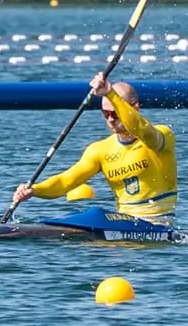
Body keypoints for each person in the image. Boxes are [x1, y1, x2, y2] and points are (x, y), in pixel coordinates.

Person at [11, 72, 178, 226]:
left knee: (96, 215)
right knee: (84, 215)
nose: (110, 119)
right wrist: (34, 190)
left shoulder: (160, 136)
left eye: (115, 113)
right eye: (106, 113)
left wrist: (110, 94)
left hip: (158, 223)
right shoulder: (100, 150)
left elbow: (139, 128)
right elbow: (66, 181)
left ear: (135, 108)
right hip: (125, 225)